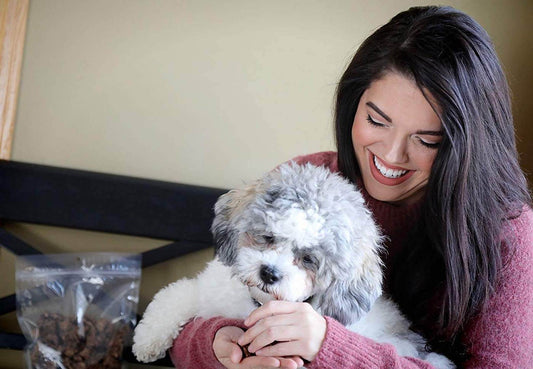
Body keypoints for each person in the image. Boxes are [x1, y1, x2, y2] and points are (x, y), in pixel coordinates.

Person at [169, 5, 533, 369]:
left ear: (466, 144)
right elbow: (199, 317)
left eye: (427, 141)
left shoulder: (509, 235)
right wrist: (216, 344)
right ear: (352, 102)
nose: (392, 155)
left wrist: (331, 348)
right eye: (377, 120)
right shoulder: (306, 179)